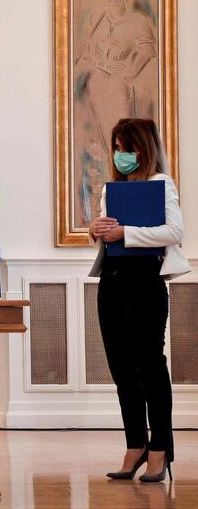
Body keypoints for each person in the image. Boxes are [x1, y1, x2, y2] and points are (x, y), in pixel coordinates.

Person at [89, 118, 190, 483]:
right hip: (112, 282)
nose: (121, 155)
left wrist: (124, 232)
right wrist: (95, 229)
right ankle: (135, 445)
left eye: (127, 148)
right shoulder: (113, 188)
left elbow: (174, 231)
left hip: (145, 282)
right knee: (121, 369)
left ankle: (160, 448)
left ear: (143, 149)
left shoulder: (160, 184)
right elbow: (103, 231)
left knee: (149, 366)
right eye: (116, 148)